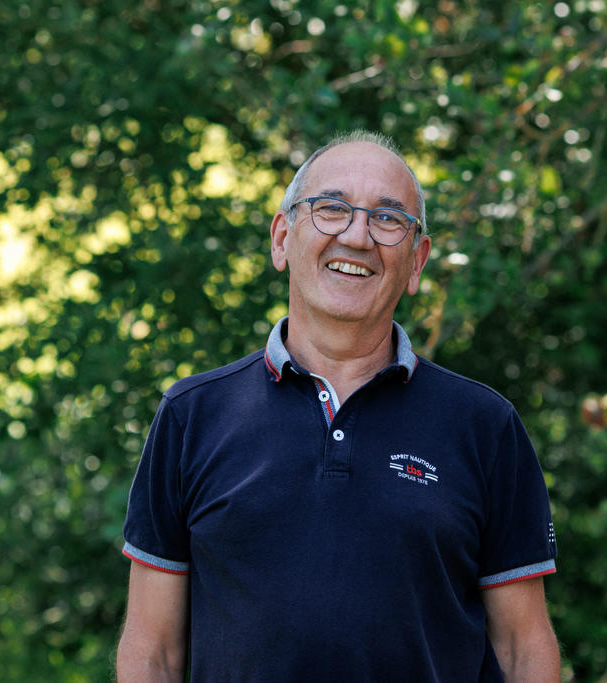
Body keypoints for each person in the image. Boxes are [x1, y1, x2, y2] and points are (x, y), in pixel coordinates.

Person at [116, 130, 560, 681]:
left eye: (388, 219)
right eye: (330, 209)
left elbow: (523, 648)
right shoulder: (193, 416)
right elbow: (152, 650)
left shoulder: (484, 426)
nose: (357, 236)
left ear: (417, 261)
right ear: (282, 239)